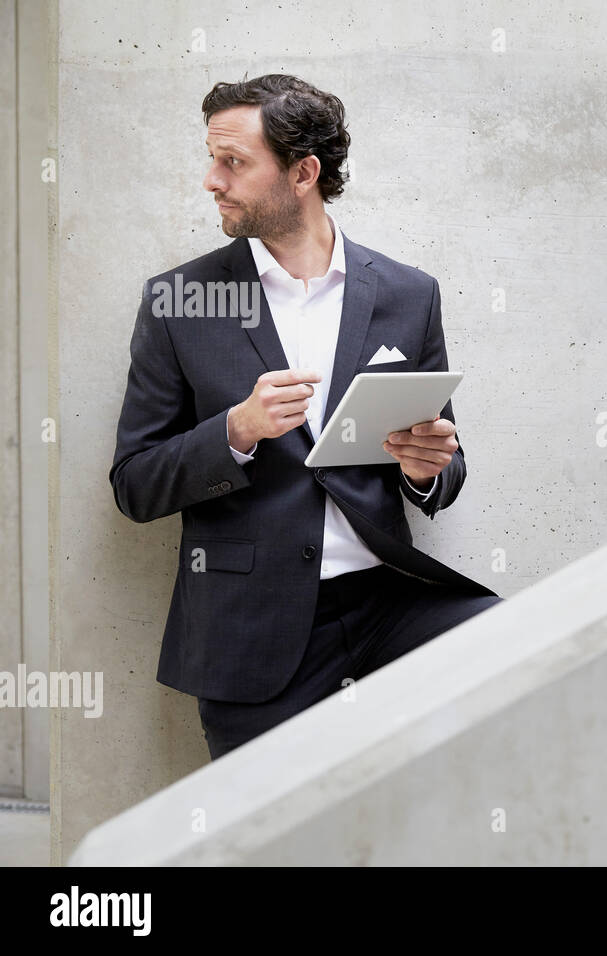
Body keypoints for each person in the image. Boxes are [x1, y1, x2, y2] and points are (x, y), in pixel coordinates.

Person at [109, 74, 503, 761]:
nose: (211, 180)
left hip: (390, 607)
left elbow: (443, 462)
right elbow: (135, 484)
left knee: (524, 649)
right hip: (250, 632)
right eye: (211, 157)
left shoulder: (409, 294)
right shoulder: (178, 301)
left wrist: (424, 470)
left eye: (233, 162)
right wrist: (235, 432)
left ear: (303, 173)